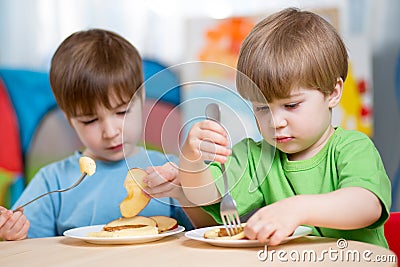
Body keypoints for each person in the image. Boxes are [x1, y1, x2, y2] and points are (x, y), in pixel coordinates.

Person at [179, 8, 391, 248]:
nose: (275, 122)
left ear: (333, 93)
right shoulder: (255, 156)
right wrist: (191, 159)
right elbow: (204, 194)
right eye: (261, 108)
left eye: (291, 105)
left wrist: (298, 208)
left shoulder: (352, 148)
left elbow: (366, 205)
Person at [0, 29, 192, 241]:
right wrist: (12, 234)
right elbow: (28, 250)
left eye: (121, 112)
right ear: (69, 118)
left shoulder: (169, 171)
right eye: (90, 120)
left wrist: (184, 192)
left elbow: (206, 230)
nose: (110, 132)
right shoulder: (52, 181)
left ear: (142, 98)